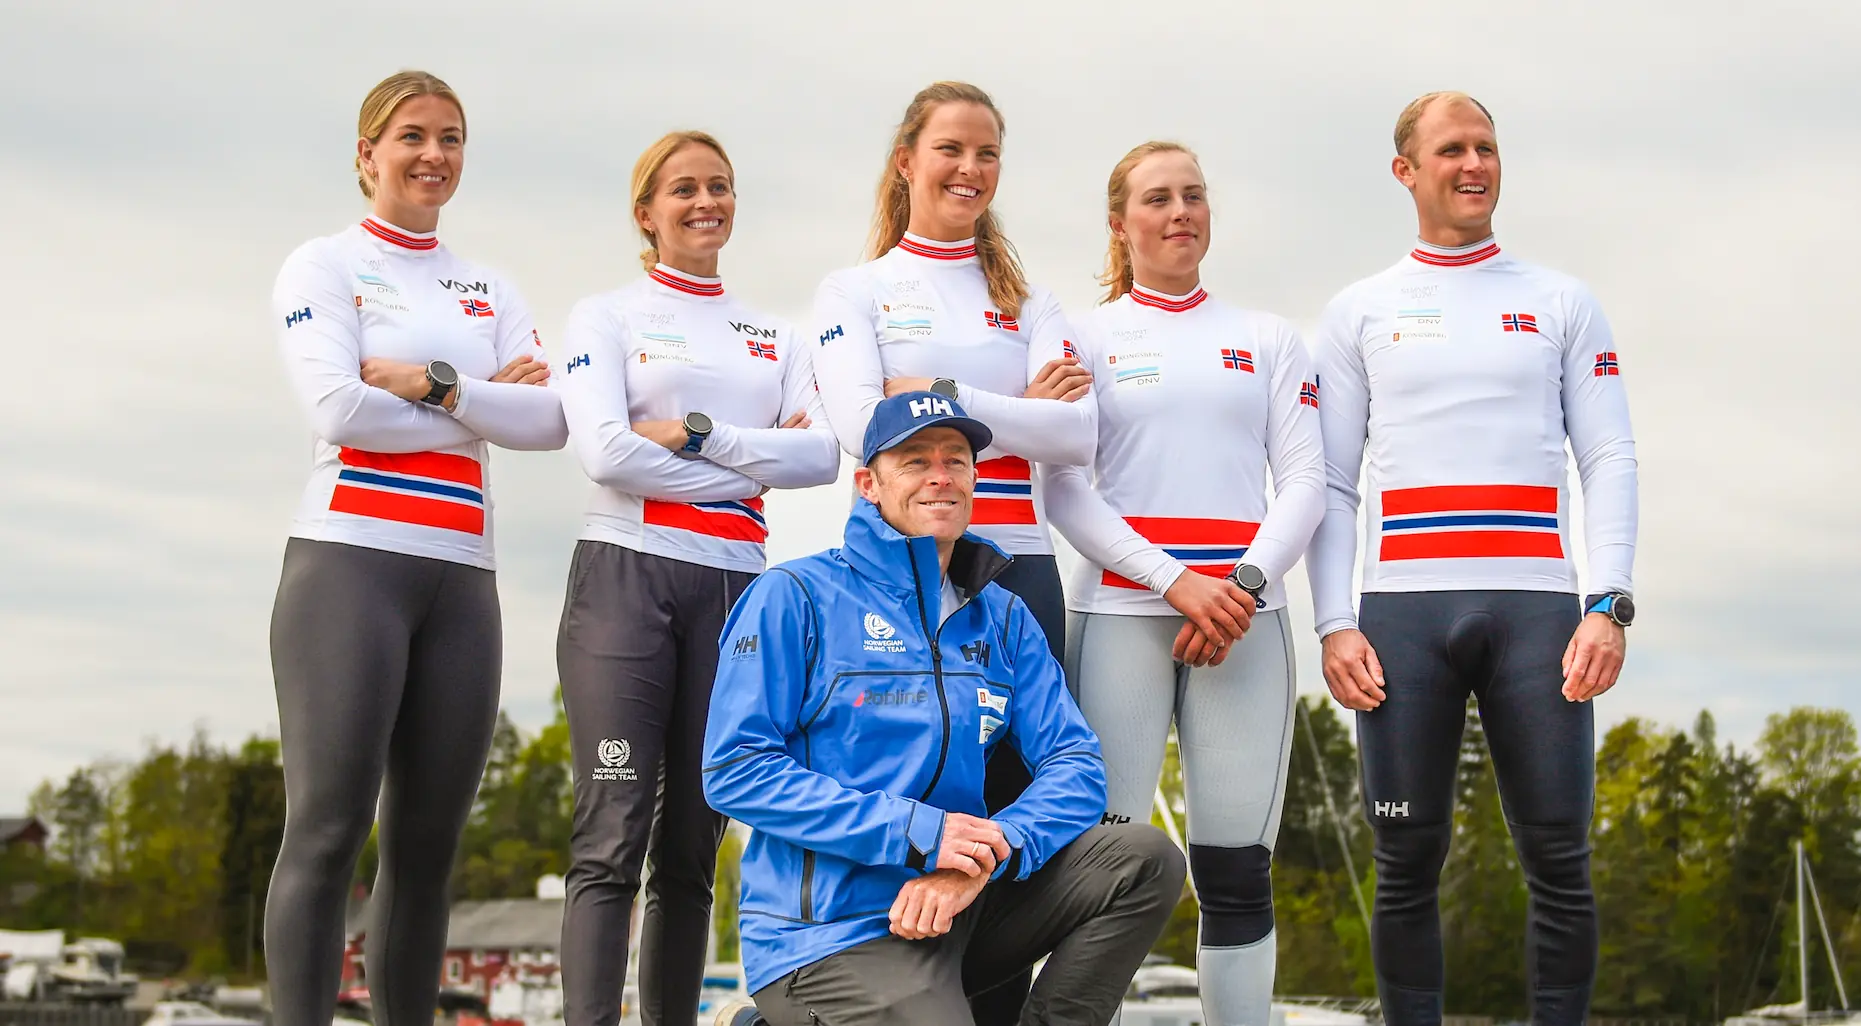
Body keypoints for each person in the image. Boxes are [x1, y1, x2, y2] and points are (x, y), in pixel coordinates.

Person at [1307, 92, 1638, 1026]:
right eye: (1450, 149)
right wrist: (1334, 624)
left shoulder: (1561, 301)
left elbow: (1608, 455)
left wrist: (1607, 602)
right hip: (1400, 617)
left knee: (1559, 863)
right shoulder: (1357, 311)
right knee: (1404, 865)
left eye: (1486, 147)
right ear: (1405, 170)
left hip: (1539, 609)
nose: (1473, 165)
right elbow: (1330, 483)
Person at [703, 392, 1186, 1026]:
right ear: (868, 485)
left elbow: (1075, 764)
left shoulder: (1004, 617)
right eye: (914, 460)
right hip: (830, 934)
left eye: (956, 460)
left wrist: (992, 853)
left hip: (958, 906)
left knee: (1143, 860)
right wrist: (918, 834)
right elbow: (736, 769)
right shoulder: (793, 598)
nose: (941, 475)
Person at [266, 70, 566, 1026]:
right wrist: (482, 399)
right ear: (367, 155)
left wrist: (431, 386)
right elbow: (337, 406)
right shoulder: (323, 265)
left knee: (428, 847)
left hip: (461, 583)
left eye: (451, 137)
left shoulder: (488, 286)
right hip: (348, 566)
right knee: (326, 830)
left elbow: (551, 419)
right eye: (411, 136)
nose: (433, 154)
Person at [810, 84, 1094, 1018]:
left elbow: (1081, 433)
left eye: (986, 155)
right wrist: (1017, 410)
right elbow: (862, 423)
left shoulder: (1030, 298)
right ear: (907, 161)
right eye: (950, 150)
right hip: (906, 586)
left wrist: (936, 387)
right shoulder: (855, 291)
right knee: (919, 804)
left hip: (1023, 572)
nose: (968, 170)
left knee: (1016, 818)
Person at [550, 130, 841, 1026]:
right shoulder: (605, 316)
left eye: (719, 186)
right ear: (647, 212)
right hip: (627, 581)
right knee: (612, 832)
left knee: (691, 843)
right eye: (683, 189)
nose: (705, 202)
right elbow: (605, 453)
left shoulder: (776, 334)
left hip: (734, 591)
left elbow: (825, 454)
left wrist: (703, 436)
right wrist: (750, 466)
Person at [1042, 141, 1325, 1025]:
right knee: (1106, 867)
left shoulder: (1269, 338)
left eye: (1194, 196)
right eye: (1157, 199)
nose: (1180, 213)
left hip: (1247, 623)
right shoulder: (1081, 336)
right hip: (1120, 616)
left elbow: (1308, 483)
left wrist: (1235, 587)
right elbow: (1061, 488)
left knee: (1235, 866)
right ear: (1120, 224)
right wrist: (1174, 583)